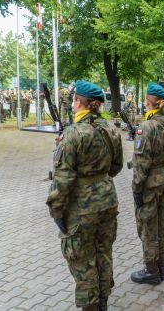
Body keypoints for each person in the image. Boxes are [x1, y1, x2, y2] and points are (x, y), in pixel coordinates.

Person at [46, 80, 123, 311]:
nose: (71, 103)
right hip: (108, 199)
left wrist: (56, 209)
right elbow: (116, 167)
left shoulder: (73, 134)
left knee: (82, 260)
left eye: (73, 99)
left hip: (82, 207)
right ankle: (103, 303)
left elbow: (62, 179)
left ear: (79, 102)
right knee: (103, 253)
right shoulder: (110, 128)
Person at [130, 82, 164, 285]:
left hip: (149, 182)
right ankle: (162, 266)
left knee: (149, 225)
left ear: (149, 103)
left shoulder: (146, 127)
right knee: (163, 222)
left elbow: (141, 163)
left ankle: (151, 270)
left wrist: (136, 189)